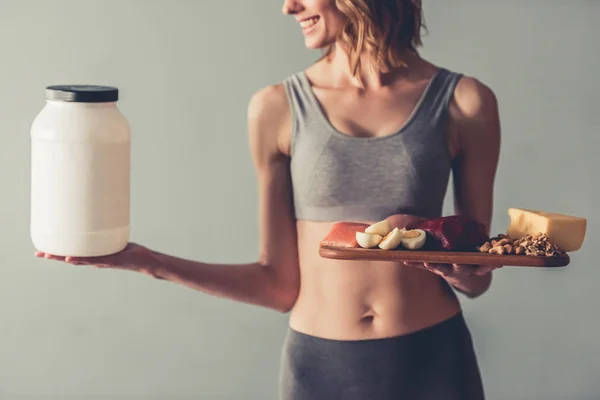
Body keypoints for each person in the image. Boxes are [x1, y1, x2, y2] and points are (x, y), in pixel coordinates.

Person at [36, 0, 502, 398]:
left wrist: (463, 269)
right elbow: (279, 285)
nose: (288, 6)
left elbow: (476, 278)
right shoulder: (276, 108)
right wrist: (147, 261)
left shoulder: (465, 102)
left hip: (432, 361)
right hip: (321, 369)